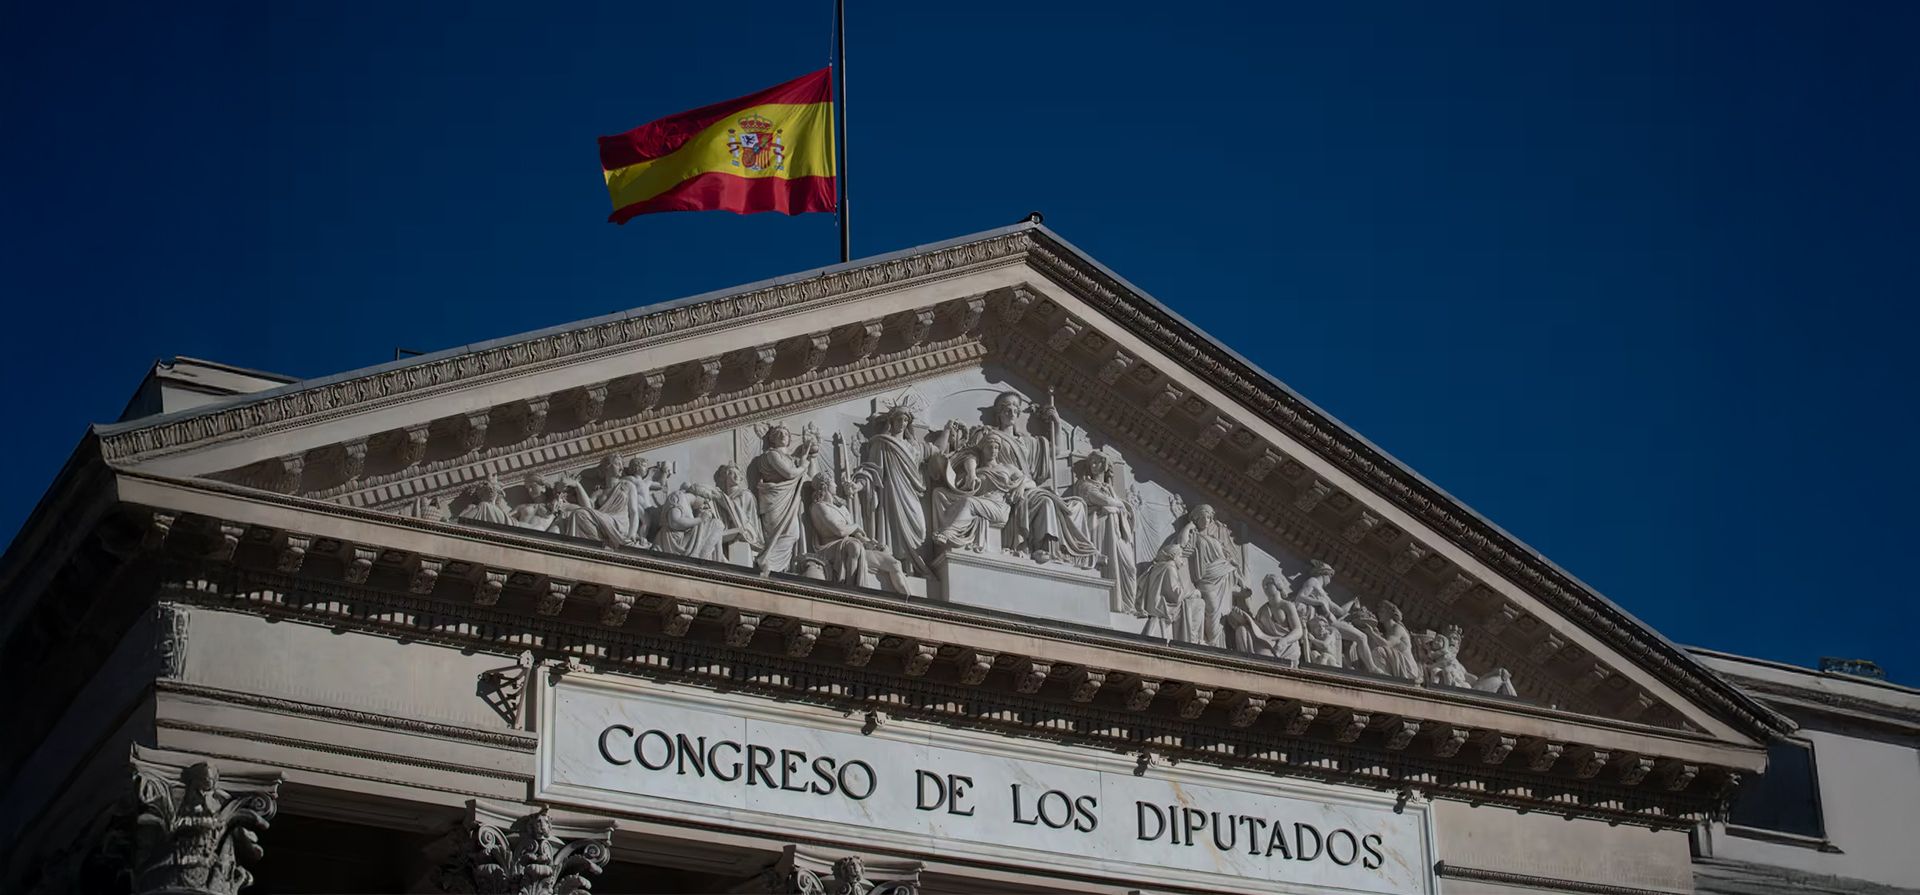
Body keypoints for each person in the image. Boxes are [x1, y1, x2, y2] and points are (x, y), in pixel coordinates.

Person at [847, 400, 932, 577]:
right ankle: (899, 566)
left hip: (911, 492)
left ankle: (913, 565)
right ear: (891, 421)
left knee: (920, 531)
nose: (902, 423)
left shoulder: (914, 447)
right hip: (892, 491)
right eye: (899, 419)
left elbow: (936, 450)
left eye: (905, 420)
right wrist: (857, 485)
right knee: (894, 529)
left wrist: (949, 432)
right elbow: (872, 470)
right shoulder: (883, 443)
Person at [806, 473, 909, 593]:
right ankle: (851, 591)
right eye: (833, 482)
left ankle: (910, 604)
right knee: (854, 546)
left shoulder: (842, 509)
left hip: (854, 546)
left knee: (894, 563)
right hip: (830, 549)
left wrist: (871, 544)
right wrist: (856, 526)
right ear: (825, 486)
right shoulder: (819, 507)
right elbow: (840, 531)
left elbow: (856, 535)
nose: (836, 485)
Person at [1069, 451, 1139, 613]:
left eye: (1098, 462)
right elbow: (1102, 500)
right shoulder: (1085, 485)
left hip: (1115, 531)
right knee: (1106, 565)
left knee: (1129, 567)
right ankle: (1108, 605)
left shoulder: (1108, 488)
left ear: (1105, 465)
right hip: (1099, 527)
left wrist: (1116, 506)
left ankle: (1125, 605)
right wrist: (1118, 505)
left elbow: (1115, 506)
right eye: (1092, 462)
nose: (1094, 466)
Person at [746, 424, 820, 574]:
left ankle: (776, 567)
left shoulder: (792, 460)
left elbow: (811, 480)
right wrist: (803, 466)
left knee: (793, 534)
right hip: (775, 501)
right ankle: (767, 562)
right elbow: (790, 474)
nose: (782, 436)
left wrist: (811, 457)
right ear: (772, 439)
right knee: (780, 534)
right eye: (778, 433)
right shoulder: (772, 455)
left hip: (789, 502)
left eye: (785, 433)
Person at [709, 464, 763, 566]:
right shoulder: (726, 497)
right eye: (731, 473)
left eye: (738, 473)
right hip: (729, 533)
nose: (736, 476)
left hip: (746, 532)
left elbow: (735, 509)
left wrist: (719, 498)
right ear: (725, 477)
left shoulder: (745, 494)